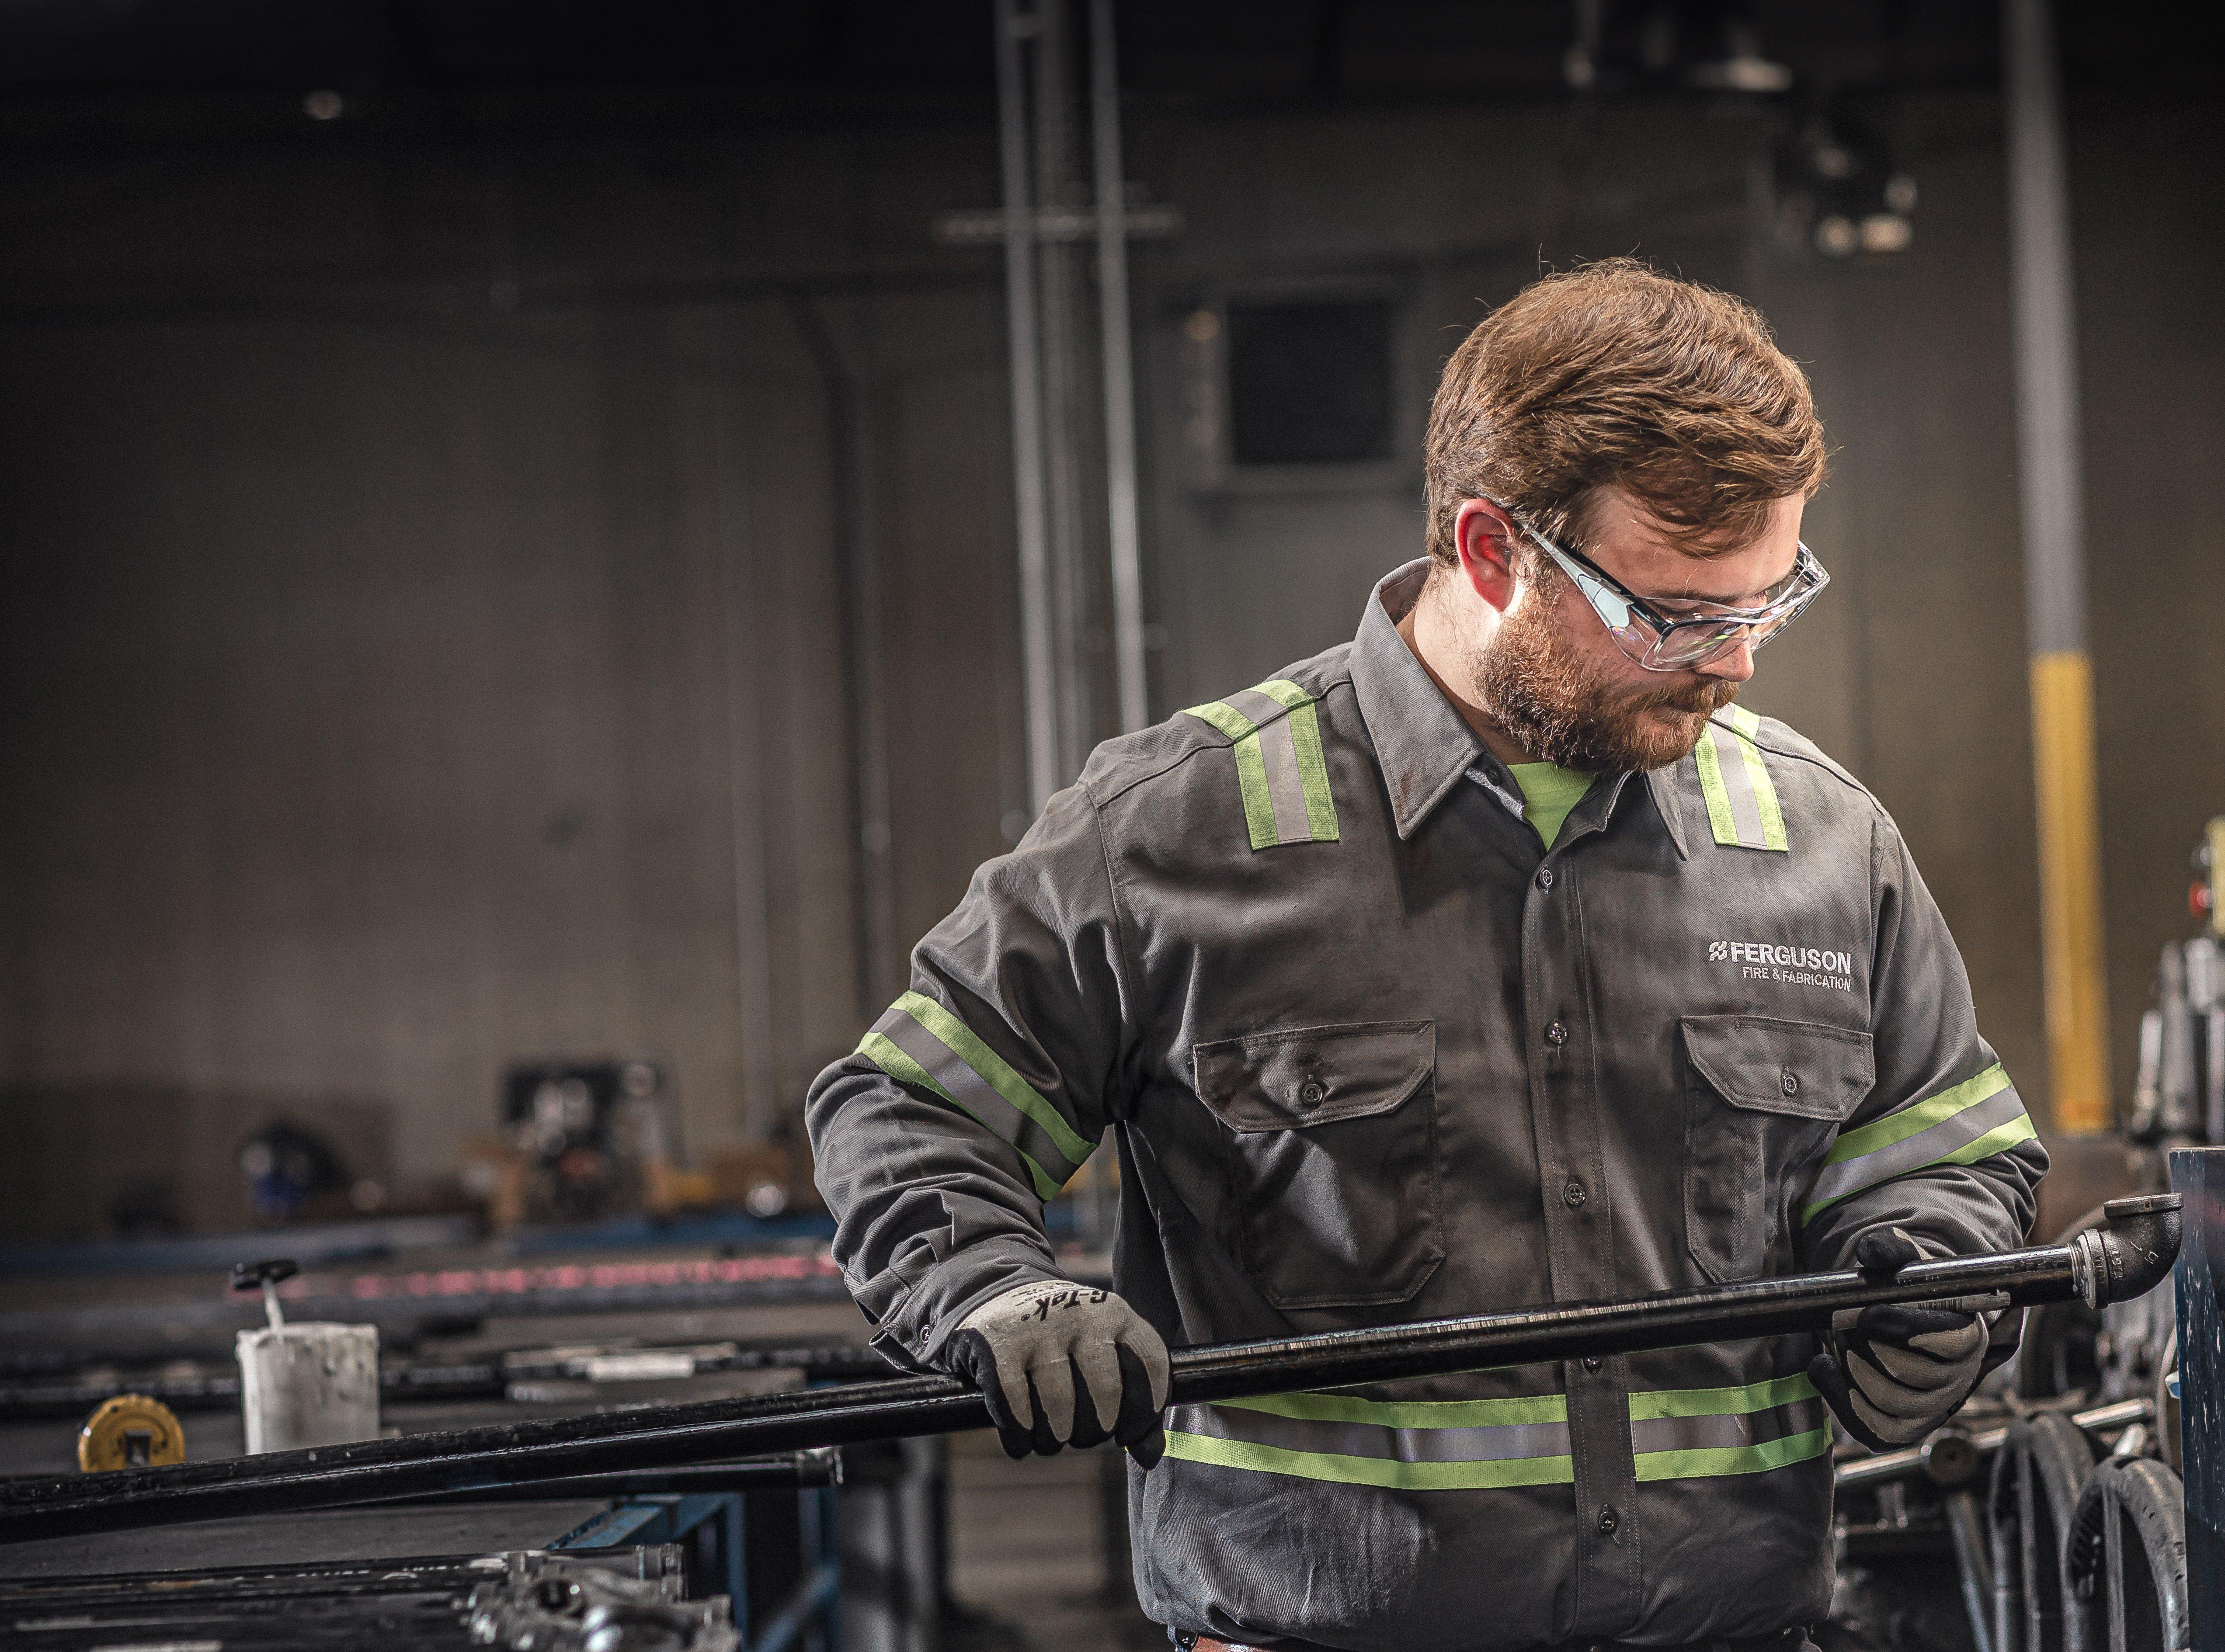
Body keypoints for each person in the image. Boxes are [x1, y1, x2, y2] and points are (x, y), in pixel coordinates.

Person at [809, 257, 2046, 1652]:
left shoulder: (1823, 840)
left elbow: (1941, 1139)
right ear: (1490, 552)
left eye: (1771, 600)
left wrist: (1937, 1267)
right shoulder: (1177, 838)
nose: (1739, 662)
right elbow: (907, 1109)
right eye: (1677, 615)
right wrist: (996, 1288)